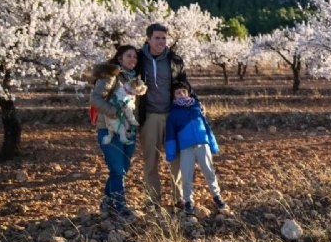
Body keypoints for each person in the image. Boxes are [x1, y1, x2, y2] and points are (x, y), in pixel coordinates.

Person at [136, 23, 190, 208]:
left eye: (164, 38)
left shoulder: (175, 60)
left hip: (172, 115)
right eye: (157, 38)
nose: (161, 41)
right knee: (151, 160)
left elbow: (184, 82)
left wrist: (188, 98)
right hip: (150, 115)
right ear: (148, 39)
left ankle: (179, 198)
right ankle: (152, 200)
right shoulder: (138, 59)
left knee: (176, 158)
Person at [89, 44, 140, 223]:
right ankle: (120, 207)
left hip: (128, 129)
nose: (132, 59)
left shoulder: (135, 78)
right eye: (128, 56)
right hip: (108, 128)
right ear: (119, 58)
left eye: (134, 57)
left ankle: (106, 202)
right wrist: (114, 111)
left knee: (123, 168)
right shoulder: (111, 76)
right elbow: (95, 98)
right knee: (117, 169)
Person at [165, 81, 227, 216]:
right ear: (174, 97)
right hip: (186, 148)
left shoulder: (197, 107)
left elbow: (206, 127)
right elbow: (170, 134)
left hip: (202, 144)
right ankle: (188, 201)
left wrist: (212, 143)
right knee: (186, 175)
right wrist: (170, 152)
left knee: (209, 171)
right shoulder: (173, 114)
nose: (181, 94)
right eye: (178, 93)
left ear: (188, 93)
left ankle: (217, 197)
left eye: (183, 91)